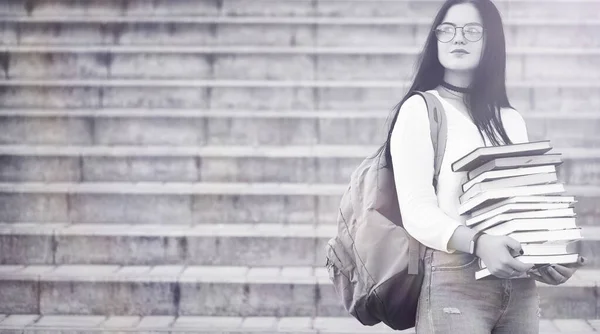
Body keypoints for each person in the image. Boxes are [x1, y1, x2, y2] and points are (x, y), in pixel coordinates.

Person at [378, 0, 582, 332]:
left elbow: (524, 204)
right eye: (448, 30)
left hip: (520, 287)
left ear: (492, 42)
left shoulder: (510, 119)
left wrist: (550, 255)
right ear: (436, 39)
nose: (459, 38)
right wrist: (478, 242)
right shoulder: (421, 109)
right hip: (455, 281)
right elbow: (416, 208)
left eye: (472, 31)